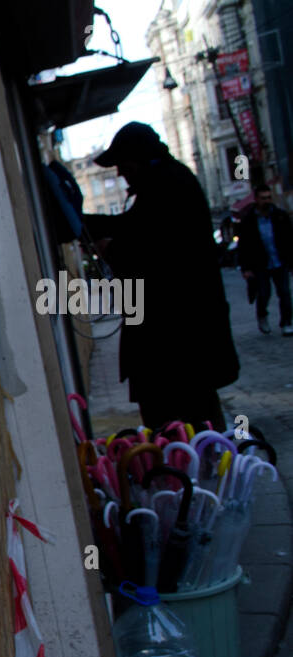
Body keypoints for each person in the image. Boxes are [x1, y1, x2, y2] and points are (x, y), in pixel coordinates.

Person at [84, 122, 239, 431]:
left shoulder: (166, 186)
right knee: (195, 420)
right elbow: (132, 228)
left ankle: (196, 474)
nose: (120, 174)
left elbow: (147, 251)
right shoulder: (167, 182)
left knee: (184, 425)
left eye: (123, 165)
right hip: (177, 341)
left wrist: (108, 248)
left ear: (138, 158)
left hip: (176, 341)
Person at [236, 185, 293, 335]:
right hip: (260, 264)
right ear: (256, 199)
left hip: (279, 261)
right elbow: (243, 246)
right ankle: (262, 315)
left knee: (285, 293)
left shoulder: (280, 216)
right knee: (264, 293)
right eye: (263, 198)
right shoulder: (248, 220)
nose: (267, 201)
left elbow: (289, 239)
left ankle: (286, 322)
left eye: (268, 197)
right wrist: (246, 268)